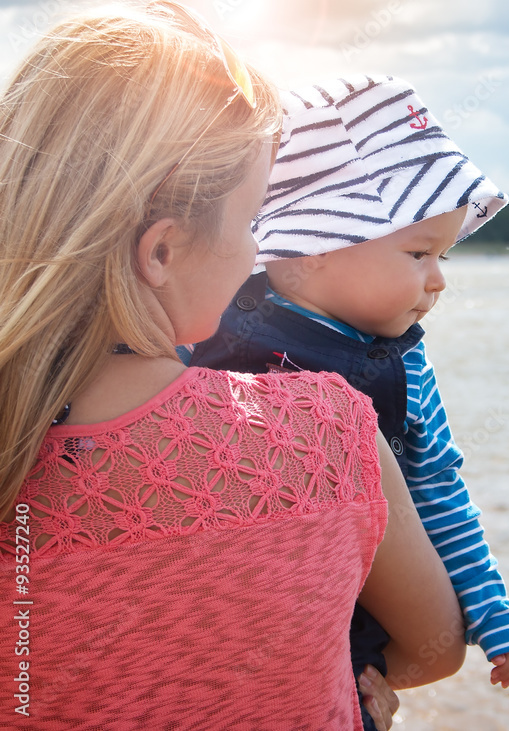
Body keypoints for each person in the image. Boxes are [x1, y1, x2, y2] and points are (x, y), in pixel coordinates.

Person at [0, 5, 463, 730]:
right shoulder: (328, 430)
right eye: (253, 222)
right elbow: (436, 646)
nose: (258, 255)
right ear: (161, 251)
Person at [190, 75, 509, 689]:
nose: (439, 281)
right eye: (418, 254)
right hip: (212, 597)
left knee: (368, 681)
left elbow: (439, 489)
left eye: (443, 257)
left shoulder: (403, 368)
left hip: (343, 605)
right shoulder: (211, 316)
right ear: (317, 246)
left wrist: (490, 608)